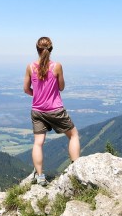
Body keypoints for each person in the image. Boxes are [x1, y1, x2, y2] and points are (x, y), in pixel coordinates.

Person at [23, 36, 80, 186]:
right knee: (73, 135)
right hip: (55, 109)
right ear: (51, 49)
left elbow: (25, 89)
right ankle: (76, 168)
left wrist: (37, 95)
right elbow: (61, 87)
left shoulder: (30, 67)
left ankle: (40, 176)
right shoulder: (57, 66)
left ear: (37, 49)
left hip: (37, 110)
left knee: (38, 143)